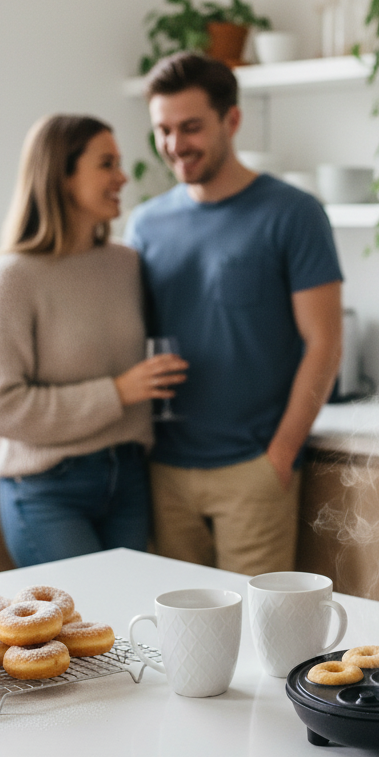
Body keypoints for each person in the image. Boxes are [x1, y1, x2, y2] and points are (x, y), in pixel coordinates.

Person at [124, 53, 343, 576]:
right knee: (177, 640)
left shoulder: (293, 213)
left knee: (254, 642)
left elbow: (325, 342)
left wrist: (281, 455)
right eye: (164, 130)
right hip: (164, 470)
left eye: (191, 127)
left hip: (253, 469)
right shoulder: (145, 223)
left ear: (233, 120)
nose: (176, 145)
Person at [0, 114, 187, 567]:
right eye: (106, 164)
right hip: (47, 489)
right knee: (78, 627)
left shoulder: (125, 264)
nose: (122, 177)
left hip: (127, 476)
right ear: (61, 177)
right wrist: (118, 392)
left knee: (123, 625)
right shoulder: (11, 276)